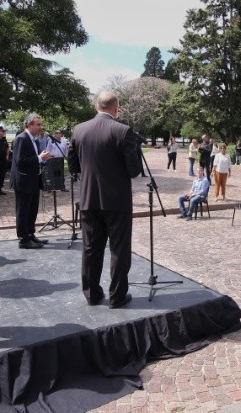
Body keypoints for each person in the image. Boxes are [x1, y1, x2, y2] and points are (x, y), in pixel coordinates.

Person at [68, 91, 143, 308]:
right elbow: (134, 170)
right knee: (119, 248)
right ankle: (117, 296)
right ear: (116, 108)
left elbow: (73, 167)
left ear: (96, 106)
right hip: (117, 201)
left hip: (88, 198)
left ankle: (91, 294)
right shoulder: (122, 131)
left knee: (91, 248)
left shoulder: (79, 130)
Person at [10, 113, 52, 249]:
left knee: (32, 210)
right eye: (38, 124)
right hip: (24, 182)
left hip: (33, 180)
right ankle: (23, 239)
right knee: (23, 211)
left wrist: (42, 160)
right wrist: (40, 158)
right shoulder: (21, 139)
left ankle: (30, 234)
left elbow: (33, 160)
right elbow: (20, 161)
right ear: (29, 125)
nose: (41, 127)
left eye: (41, 124)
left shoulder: (33, 139)